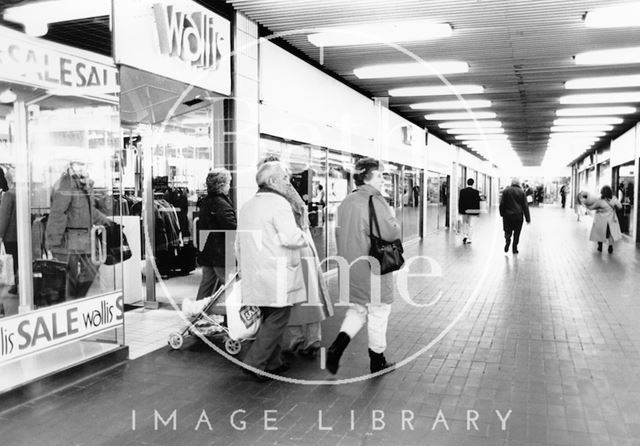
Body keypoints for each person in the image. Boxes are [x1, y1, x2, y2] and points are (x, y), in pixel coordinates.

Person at [326, 157, 402, 375]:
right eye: (379, 175)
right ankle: (377, 360)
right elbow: (390, 232)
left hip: (350, 265)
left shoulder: (346, 201)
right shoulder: (375, 201)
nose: (383, 179)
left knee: (359, 309)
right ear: (367, 176)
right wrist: (394, 220)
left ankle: (336, 348)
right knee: (379, 311)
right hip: (373, 266)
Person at [236, 161, 308, 381]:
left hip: (256, 270)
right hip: (276, 271)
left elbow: (238, 242)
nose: (289, 182)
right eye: (285, 178)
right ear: (273, 181)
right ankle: (254, 363)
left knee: (269, 315)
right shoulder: (279, 203)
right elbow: (290, 237)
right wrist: (304, 231)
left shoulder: (248, 205)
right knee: (278, 316)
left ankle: (274, 362)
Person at [256, 157, 333, 358]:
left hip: (291, 250)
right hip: (304, 247)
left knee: (294, 299)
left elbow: (281, 232)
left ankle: (294, 341)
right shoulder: (292, 194)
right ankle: (312, 340)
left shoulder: (277, 198)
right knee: (309, 295)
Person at [46, 161, 112, 299]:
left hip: (85, 239)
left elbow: (90, 210)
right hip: (70, 241)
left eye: (85, 165)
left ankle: (78, 299)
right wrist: (53, 240)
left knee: (90, 270)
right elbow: (58, 213)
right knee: (69, 277)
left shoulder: (84, 185)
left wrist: (107, 221)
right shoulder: (66, 184)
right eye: (79, 165)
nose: (83, 168)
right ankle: (72, 303)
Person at [196, 168, 236, 300]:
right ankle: (232, 318)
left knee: (206, 285)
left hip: (208, 252)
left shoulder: (206, 201)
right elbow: (231, 228)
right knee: (231, 287)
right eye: (228, 183)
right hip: (221, 254)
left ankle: (198, 314)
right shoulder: (221, 203)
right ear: (222, 185)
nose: (229, 186)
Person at [585, 185, 622, 253]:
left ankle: (600, 246)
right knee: (611, 234)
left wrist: (586, 204)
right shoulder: (614, 199)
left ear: (602, 192)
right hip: (611, 221)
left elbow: (591, 207)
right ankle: (610, 247)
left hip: (601, 220)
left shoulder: (600, 201)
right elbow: (620, 207)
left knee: (600, 233)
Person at [499, 178, 531, 254]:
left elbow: (502, 204)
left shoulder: (506, 191)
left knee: (507, 230)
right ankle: (514, 248)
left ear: (511, 183)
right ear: (518, 183)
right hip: (518, 216)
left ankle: (507, 241)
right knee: (517, 233)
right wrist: (528, 218)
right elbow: (525, 206)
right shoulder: (522, 192)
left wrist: (502, 213)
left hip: (507, 216)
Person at [0, 168, 18, 295]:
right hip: (18, 235)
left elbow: (4, 217)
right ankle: (19, 284)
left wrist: (0, 235)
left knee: (13, 261)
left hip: (10, 236)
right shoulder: (19, 193)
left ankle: (16, 284)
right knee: (18, 260)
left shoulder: (8, 195)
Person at [458, 178, 481, 245]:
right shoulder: (476, 192)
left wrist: (460, 211)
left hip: (464, 211)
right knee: (471, 225)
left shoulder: (462, 191)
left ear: (467, 183)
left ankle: (465, 235)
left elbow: (460, 202)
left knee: (465, 223)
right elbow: (477, 203)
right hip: (472, 211)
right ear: (473, 183)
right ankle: (469, 239)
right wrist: (478, 212)